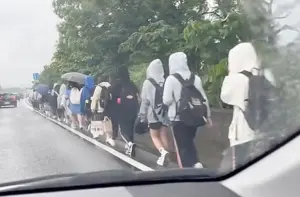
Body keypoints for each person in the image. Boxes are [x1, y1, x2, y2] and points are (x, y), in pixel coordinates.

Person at [163, 52, 212, 168]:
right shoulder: (196, 78)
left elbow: (166, 100)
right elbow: (204, 98)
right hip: (195, 116)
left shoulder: (171, 79)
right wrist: (208, 116)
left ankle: (188, 170)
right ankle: (196, 163)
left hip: (178, 118)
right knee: (189, 142)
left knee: (182, 147)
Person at [139, 59, 169, 166]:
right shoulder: (166, 81)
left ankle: (162, 152)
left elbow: (145, 101)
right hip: (165, 113)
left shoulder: (148, 82)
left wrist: (142, 116)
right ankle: (166, 155)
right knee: (164, 135)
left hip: (153, 115)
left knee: (155, 136)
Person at [111, 67, 139, 157]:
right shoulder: (131, 84)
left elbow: (112, 96)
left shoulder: (117, 84)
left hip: (122, 109)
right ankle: (130, 145)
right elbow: (138, 94)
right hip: (133, 109)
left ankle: (130, 143)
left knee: (123, 130)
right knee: (130, 128)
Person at [91, 75, 115, 146]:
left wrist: (93, 108)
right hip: (109, 107)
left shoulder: (99, 87)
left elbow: (95, 98)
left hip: (100, 107)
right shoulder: (110, 86)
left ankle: (96, 134)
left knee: (97, 120)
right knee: (107, 121)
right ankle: (108, 137)